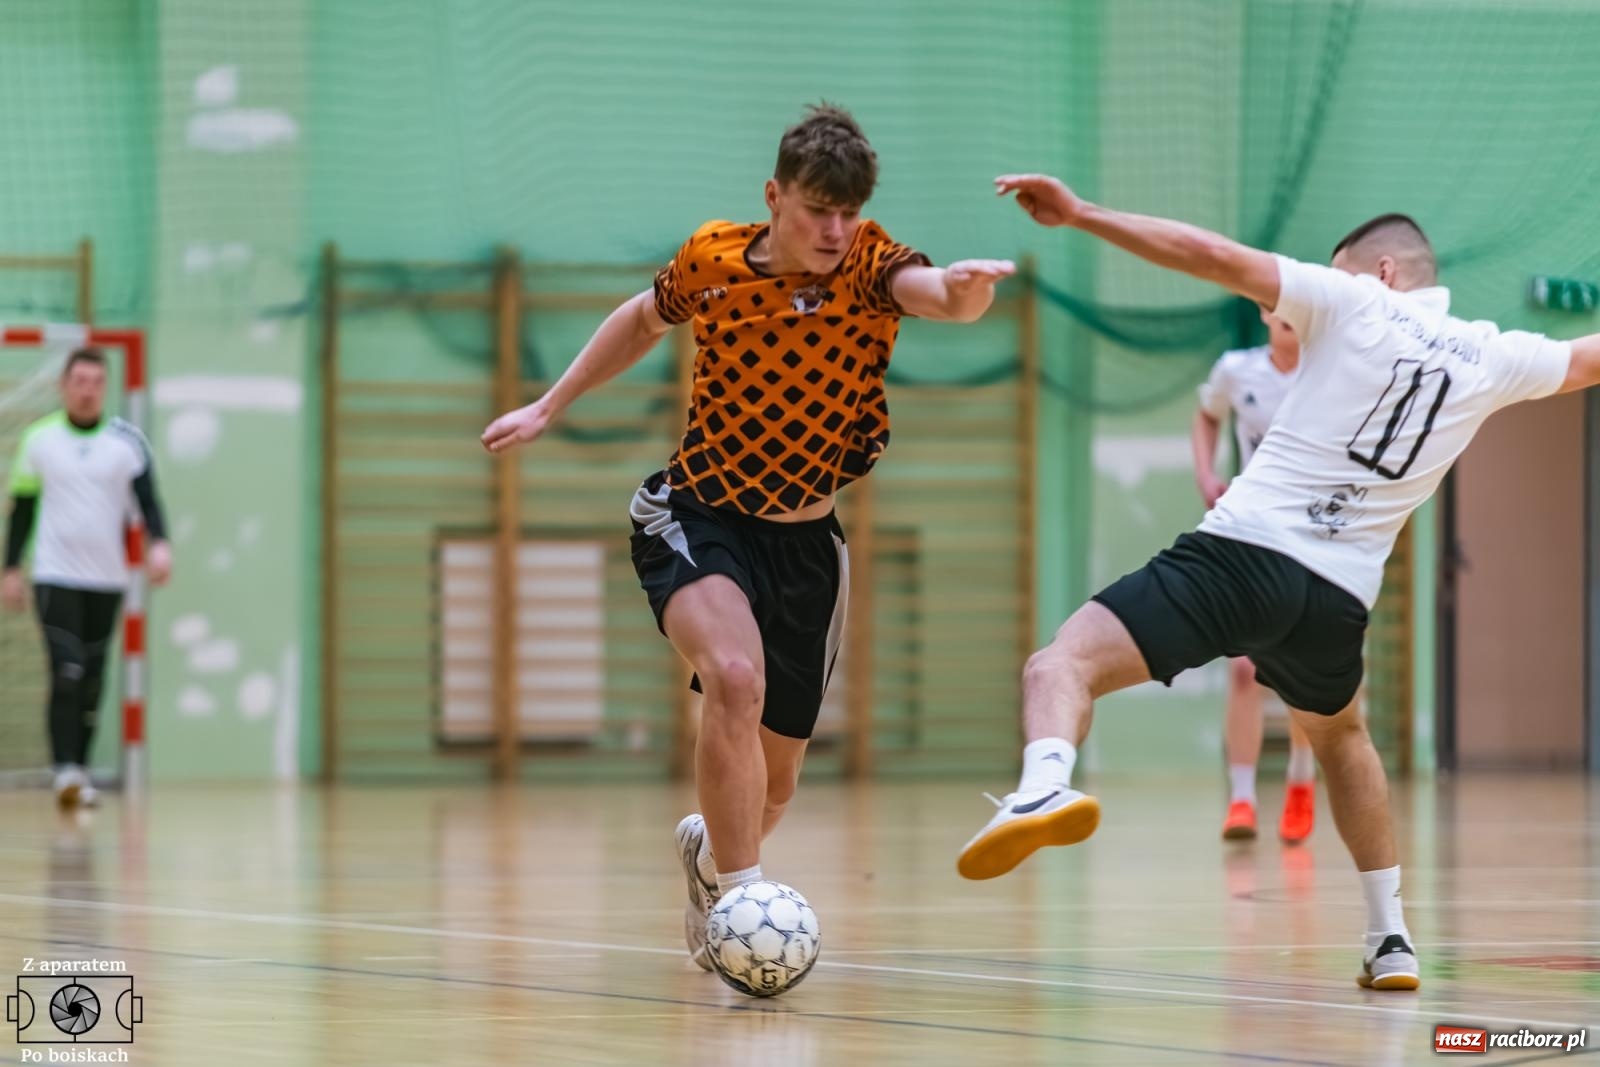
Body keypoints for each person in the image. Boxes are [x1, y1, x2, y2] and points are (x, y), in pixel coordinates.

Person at [958, 173, 1600, 992]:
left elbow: (1210, 255)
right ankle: (1390, 935)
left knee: (1060, 664)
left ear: (1382, 273)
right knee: (1342, 739)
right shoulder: (1496, 353)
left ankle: (1042, 786)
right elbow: (1587, 357)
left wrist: (1083, 214)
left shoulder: (1353, 300)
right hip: (1336, 600)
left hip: (1242, 555)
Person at [481, 104, 1014, 970]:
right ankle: (740, 905)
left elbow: (938, 295)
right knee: (733, 677)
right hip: (696, 514)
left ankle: (714, 857)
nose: (835, 230)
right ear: (775, 196)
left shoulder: (874, 264)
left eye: (848, 212)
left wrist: (966, 290)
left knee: (775, 785)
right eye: (816, 211)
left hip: (808, 548)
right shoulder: (713, 261)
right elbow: (641, 318)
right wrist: (550, 404)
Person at [2, 347, 172, 807]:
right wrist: (11, 568)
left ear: (106, 387)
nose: (87, 390)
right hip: (55, 575)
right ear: (64, 385)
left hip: (107, 579)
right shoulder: (39, 440)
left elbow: (148, 501)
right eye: (79, 381)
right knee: (68, 671)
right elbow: (23, 509)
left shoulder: (127, 443)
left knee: (93, 679)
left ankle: (79, 770)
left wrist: (160, 545)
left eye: (97, 382)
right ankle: (65, 772)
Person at [1192, 310, 1317, 843]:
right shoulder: (1236, 371)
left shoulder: (1328, 370)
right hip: (1252, 528)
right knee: (1244, 668)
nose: (1288, 312)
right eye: (1277, 302)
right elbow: (1205, 414)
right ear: (1265, 313)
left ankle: (1300, 782)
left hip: (1315, 534)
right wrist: (1205, 471)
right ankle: (1241, 798)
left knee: (1302, 669)